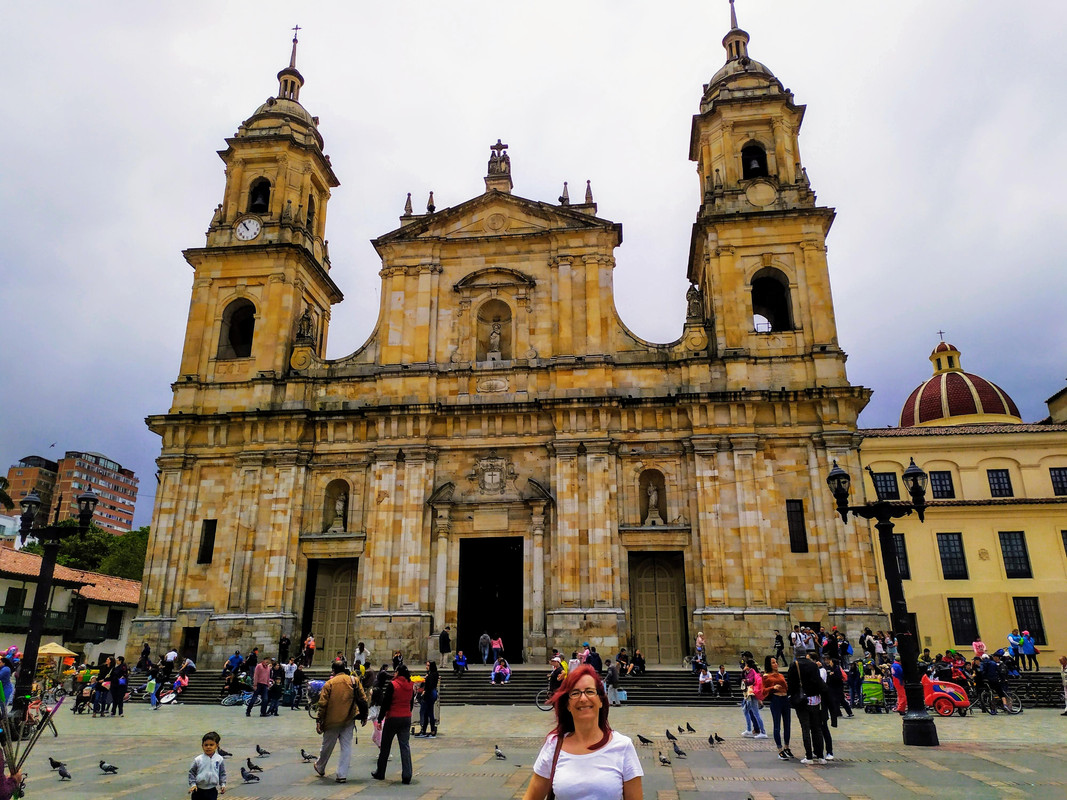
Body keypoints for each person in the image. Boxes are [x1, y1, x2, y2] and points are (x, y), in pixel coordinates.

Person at [522, 664, 642, 800]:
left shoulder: (623, 746)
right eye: (575, 693)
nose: (583, 698)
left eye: (590, 691)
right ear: (567, 705)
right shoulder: (554, 746)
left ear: (601, 700)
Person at [314, 661, 369, 784]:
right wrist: (364, 715)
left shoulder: (329, 684)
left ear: (333, 671)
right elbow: (363, 698)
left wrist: (319, 720)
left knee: (327, 746)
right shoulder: (354, 680)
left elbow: (322, 704)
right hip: (349, 719)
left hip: (331, 720)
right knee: (346, 747)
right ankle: (342, 774)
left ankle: (320, 766)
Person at [372, 663, 415, 784]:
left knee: (385, 746)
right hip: (406, 717)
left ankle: (380, 772)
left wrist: (380, 719)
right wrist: (407, 712)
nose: (394, 674)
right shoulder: (410, 685)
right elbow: (411, 702)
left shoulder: (393, 685)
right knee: (405, 746)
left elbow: (385, 703)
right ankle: (407, 775)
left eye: (395, 672)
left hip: (393, 718)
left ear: (398, 673)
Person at [787, 651, 827, 765]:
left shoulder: (795, 665)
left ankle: (809, 756)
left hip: (802, 701)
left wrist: (791, 697)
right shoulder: (813, 665)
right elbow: (818, 682)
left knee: (806, 729)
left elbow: (791, 683)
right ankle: (820, 756)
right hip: (814, 700)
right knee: (817, 729)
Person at [763, 656, 793, 760]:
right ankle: (780, 750)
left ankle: (787, 747)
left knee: (787, 724)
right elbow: (764, 690)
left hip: (785, 699)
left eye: (776, 662)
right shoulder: (766, 676)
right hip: (776, 700)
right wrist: (773, 688)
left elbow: (786, 687)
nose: (776, 664)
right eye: (773, 663)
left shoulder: (780, 675)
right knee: (777, 725)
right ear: (769, 664)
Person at [187, 730, 227, 799]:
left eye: (211, 745)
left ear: (217, 746)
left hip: (212, 790)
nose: (208, 747)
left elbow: (222, 773)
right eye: (206, 745)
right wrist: (193, 785)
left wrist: (222, 784)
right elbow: (192, 773)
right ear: (202, 746)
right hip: (198, 790)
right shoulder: (198, 759)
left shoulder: (219, 759)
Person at [739, 659, 767, 739]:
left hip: (752, 693)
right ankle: (748, 729)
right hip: (749, 693)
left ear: (748, 665)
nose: (744, 666)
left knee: (756, 713)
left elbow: (751, 681)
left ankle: (763, 732)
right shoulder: (748, 672)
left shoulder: (752, 672)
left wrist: (746, 680)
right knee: (745, 710)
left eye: (746, 665)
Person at [417, 661, 439, 737]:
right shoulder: (434, 674)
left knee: (428, 712)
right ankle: (426, 730)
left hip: (429, 694)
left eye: (428, 665)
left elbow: (429, 686)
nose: (426, 667)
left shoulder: (431, 675)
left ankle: (430, 730)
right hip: (432, 694)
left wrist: (424, 693)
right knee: (427, 712)